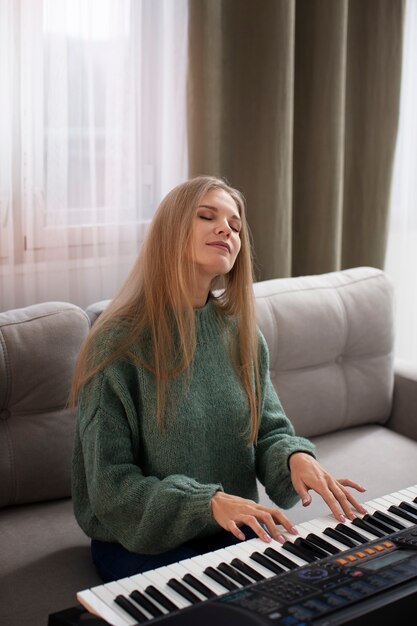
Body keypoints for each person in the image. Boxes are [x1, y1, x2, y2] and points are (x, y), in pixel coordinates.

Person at [70, 175, 367, 583]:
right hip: (137, 539)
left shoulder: (240, 332)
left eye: (235, 224)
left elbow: (268, 430)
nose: (226, 228)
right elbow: (111, 488)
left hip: (231, 528)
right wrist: (207, 504)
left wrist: (296, 458)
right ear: (170, 232)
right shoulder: (117, 345)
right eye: (207, 216)